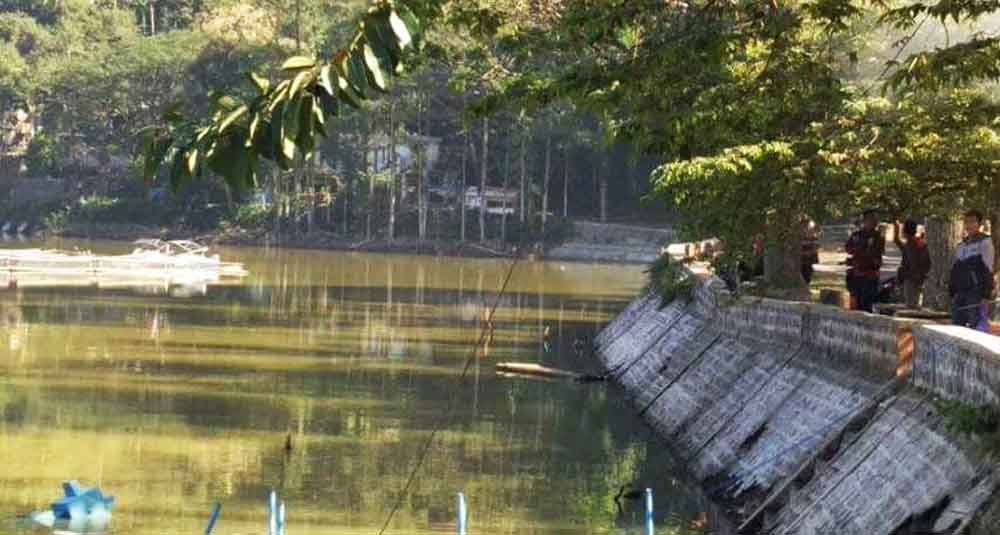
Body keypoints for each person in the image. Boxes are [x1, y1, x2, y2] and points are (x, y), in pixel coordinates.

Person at [949, 210, 995, 332]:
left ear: (980, 224)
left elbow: (988, 268)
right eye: (967, 222)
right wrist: (952, 290)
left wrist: (986, 294)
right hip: (960, 292)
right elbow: (956, 269)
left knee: (976, 327)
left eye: (972, 222)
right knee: (956, 326)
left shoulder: (985, 242)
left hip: (976, 292)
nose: (969, 225)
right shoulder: (961, 245)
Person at [845, 209, 885, 313]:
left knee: (868, 303)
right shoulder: (857, 235)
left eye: (876, 219)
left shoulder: (878, 236)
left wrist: (861, 251)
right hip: (857, 274)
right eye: (872, 219)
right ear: (865, 221)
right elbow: (848, 248)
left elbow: (874, 252)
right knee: (856, 303)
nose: (875, 222)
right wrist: (860, 250)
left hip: (871, 275)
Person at [893, 219, 931, 309]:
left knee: (911, 305)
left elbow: (913, 262)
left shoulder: (911, 244)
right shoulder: (917, 242)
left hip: (912, 278)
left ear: (905, 231)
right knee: (914, 303)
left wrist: (908, 274)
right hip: (917, 277)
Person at [801, 218, 820, 284]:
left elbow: (816, 247)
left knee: (807, 273)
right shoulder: (800, 237)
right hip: (802, 259)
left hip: (808, 260)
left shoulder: (813, 238)